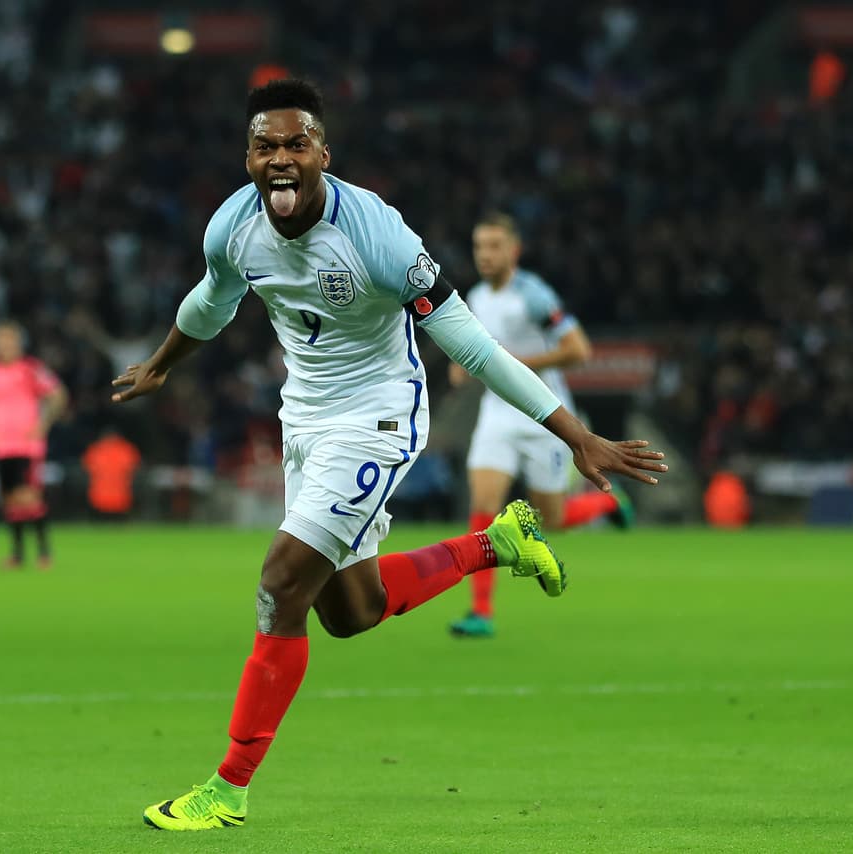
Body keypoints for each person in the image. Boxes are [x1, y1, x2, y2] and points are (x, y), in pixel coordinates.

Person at [111, 79, 666, 832]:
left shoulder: (377, 234)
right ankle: (496, 542)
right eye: (265, 146)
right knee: (351, 611)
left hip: (379, 416)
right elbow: (211, 300)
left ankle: (228, 786)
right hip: (303, 420)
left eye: (295, 144)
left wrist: (574, 431)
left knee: (281, 583)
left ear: (322, 155)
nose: (280, 159)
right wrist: (163, 362)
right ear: (247, 157)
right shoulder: (232, 229)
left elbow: (469, 341)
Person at [449, 213, 633, 639]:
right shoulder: (474, 296)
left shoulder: (533, 296)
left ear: (514, 251)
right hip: (497, 414)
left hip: (543, 416)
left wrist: (517, 367)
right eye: (479, 247)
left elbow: (578, 349)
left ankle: (607, 503)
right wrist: (462, 367)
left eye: (495, 246)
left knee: (551, 517)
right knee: (483, 504)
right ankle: (481, 612)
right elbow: (473, 347)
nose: (486, 255)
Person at [0, 322, 67, 569]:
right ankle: (17, 554)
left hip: (27, 445)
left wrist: (44, 424)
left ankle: (44, 553)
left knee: (29, 497)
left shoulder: (30, 369)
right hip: (1, 445)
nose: (3, 346)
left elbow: (58, 394)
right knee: (9, 499)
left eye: (8, 340)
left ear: (18, 343)